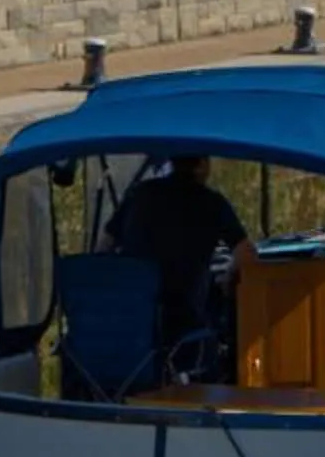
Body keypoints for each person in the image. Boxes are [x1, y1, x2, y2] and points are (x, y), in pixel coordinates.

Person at [106, 154, 249, 361]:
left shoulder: (139, 193)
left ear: (171, 162)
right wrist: (228, 278)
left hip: (130, 324)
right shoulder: (211, 202)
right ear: (202, 164)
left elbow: (104, 246)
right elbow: (246, 253)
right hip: (184, 325)